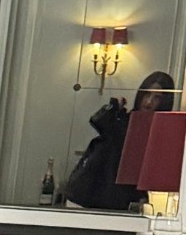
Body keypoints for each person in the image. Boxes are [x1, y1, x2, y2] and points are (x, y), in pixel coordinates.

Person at [66, 71, 176, 211]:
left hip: (115, 202)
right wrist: (113, 107)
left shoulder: (159, 134)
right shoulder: (123, 119)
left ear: (164, 101)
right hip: (86, 193)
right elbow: (98, 121)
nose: (148, 102)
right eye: (147, 94)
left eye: (157, 98)